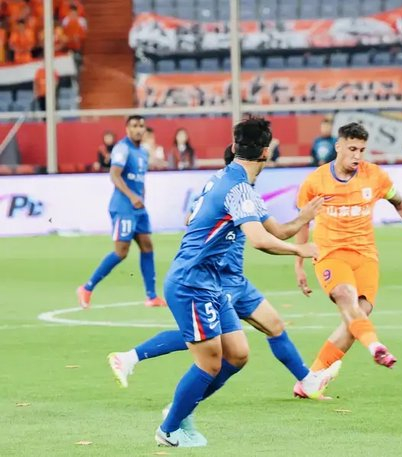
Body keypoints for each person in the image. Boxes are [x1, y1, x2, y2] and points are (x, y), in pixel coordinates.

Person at [108, 145, 340, 401]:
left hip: (237, 280)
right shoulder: (228, 189)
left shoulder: (246, 193)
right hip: (218, 279)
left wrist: (303, 218)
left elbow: (278, 231)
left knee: (273, 325)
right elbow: (199, 221)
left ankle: (307, 381)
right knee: (204, 337)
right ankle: (130, 358)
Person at [153, 118, 332, 448]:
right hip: (191, 283)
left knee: (237, 355)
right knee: (209, 362)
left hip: (211, 283)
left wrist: (303, 218)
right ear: (266, 152)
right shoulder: (238, 190)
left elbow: (276, 230)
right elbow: (260, 240)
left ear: (235, 146)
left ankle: (180, 410)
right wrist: (301, 249)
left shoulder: (229, 180)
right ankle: (170, 428)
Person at [293, 122, 402, 397]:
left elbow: (399, 202)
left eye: (361, 150)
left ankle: (309, 380)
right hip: (330, 255)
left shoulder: (374, 176)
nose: (357, 155)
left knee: (356, 318)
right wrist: (299, 263)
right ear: (338, 146)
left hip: (365, 257)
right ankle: (376, 346)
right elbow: (303, 222)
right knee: (346, 298)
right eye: (352, 149)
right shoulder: (315, 182)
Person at [77, 116, 166, 308]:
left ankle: (151, 296)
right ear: (127, 129)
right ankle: (87, 288)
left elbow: (140, 180)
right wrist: (132, 197)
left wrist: (141, 199)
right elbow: (114, 175)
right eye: (134, 126)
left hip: (138, 208)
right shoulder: (122, 148)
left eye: (141, 126)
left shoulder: (143, 152)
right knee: (121, 252)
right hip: (124, 207)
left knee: (147, 245)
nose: (138, 129)